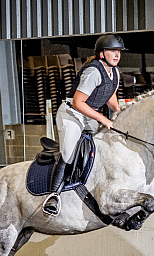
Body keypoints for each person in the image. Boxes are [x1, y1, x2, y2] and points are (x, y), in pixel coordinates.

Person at [42, 34, 126, 216]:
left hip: (88, 115)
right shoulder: (93, 72)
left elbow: (109, 94)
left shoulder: (115, 72)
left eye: (118, 52)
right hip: (71, 114)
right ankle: (53, 195)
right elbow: (79, 102)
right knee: (69, 151)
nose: (117, 55)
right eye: (113, 51)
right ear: (102, 54)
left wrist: (119, 111)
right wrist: (104, 119)